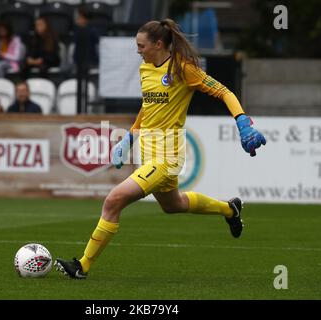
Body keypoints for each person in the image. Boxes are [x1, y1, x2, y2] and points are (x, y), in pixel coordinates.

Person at [54, 19, 266, 279]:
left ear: (158, 44)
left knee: (113, 201)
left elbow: (224, 92)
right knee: (173, 204)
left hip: (167, 158)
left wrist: (242, 122)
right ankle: (228, 209)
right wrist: (130, 138)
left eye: (141, 46)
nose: (138, 51)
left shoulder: (183, 69)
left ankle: (82, 266)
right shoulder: (146, 68)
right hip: (148, 153)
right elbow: (147, 106)